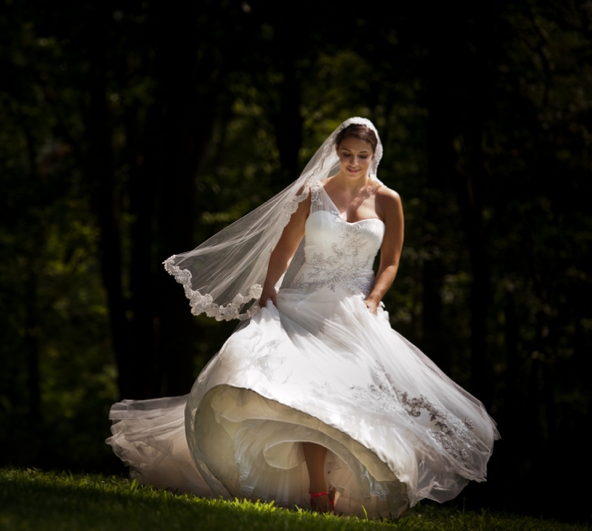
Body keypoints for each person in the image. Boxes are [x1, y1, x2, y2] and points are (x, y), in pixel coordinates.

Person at [107, 117, 499, 518]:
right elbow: (284, 249)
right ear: (335, 152)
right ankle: (317, 489)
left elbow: (392, 262)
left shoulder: (388, 200)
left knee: (345, 401)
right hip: (305, 306)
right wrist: (269, 290)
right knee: (307, 395)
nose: (352, 162)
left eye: (361, 156)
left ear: (374, 155)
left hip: (355, 312)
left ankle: (346, 483)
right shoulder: (313, 194)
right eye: (345, 154)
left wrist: (374, 299)